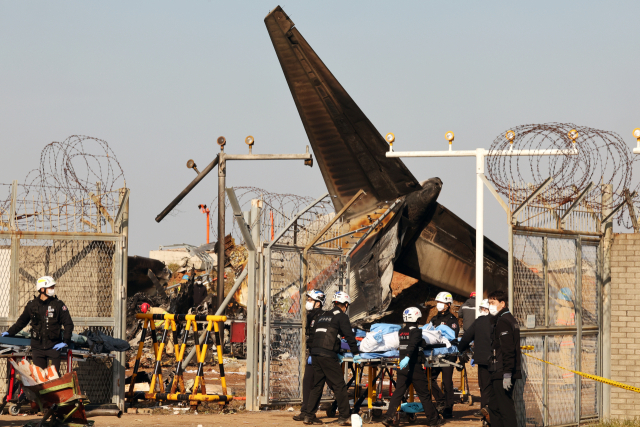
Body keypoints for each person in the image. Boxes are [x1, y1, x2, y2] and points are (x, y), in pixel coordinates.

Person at [303, 292, 359, 426]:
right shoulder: (341, 316)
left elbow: (323, 334)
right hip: (327, 355)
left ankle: (309, 416)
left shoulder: (323, 316)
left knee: (317, 385)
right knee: (339, 385)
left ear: (334, 303)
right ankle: (345, 416)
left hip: (315, 354)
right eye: (347, 305)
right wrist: (356, 353)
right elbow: (349, 336)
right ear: (345, 305)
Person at [381, 307, 444, 427]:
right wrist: (408, 356)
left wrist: (420, 345)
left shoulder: (401, 331)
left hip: (403, 368)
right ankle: (433, 421)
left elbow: (415, 343)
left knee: (398, 393)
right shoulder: (416, 331)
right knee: (424, 395)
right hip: (414, 367)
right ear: (417, 318)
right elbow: (412, 344)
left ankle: (388, 417)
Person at [2, 276, 73, 372]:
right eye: (50, 287)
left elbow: (69, 324)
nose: (53, 289)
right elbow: (21, 322)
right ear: (42, 289)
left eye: (53, 287)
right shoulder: (32, 305)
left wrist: (65, 342)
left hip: (54, 347)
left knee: (53, 378)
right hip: (37, 348)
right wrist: (9, 333)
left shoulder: (58, 305)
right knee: (39, 379)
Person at [293, 290, 335, 421]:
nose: (308, 303)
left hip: (322, 354)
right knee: (308, 381)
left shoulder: (322, 316)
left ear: (318, 303)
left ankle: (346, 409)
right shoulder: (309, 315)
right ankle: (305, 411)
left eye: (310, 300)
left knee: (330, 383)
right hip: (313, 354)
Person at [484, 290, 522, 427]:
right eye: (489, 303)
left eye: (493, 303)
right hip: (499, 370)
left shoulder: (504, 322)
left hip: (502, 371)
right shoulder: (504, 319)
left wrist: (507, 373)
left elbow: (508, 350)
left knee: (505, 408)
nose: (490, 306)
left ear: (502, 303)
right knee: (494, 406)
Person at [457, 299, 493, 416]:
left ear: (483, 309)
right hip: (497, 357)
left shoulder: (479, 321)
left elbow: (467, 337)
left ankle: (485, 409)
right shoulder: (499, 321)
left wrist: (461, 349)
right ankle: (493, 409)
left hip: (483, 358)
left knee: (484, 386)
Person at [429, 291, 459, 419]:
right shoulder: (434, 319)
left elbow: (453, 337)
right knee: (430, 379)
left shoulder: (452, 320)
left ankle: (448, 408)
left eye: (441, 302)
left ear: (448, 304)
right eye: (438, 302)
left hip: (448, 354)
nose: (439, 305)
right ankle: (440, 400)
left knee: (447, 382)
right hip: (435, 354)